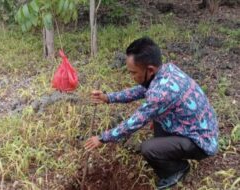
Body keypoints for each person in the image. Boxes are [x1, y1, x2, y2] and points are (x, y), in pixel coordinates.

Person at [84, 37, 218, 190]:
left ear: (150, 70)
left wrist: (102, 138)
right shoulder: (166, 69)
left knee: (148, 148)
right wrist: (108, 97)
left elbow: (133, 123)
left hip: (201, 141)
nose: (132, 77)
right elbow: (140, 90)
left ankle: (177, 170)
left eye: (134, 73)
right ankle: (167, 150)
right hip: (200, 126)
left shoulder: (160, 93)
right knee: (155, 119)